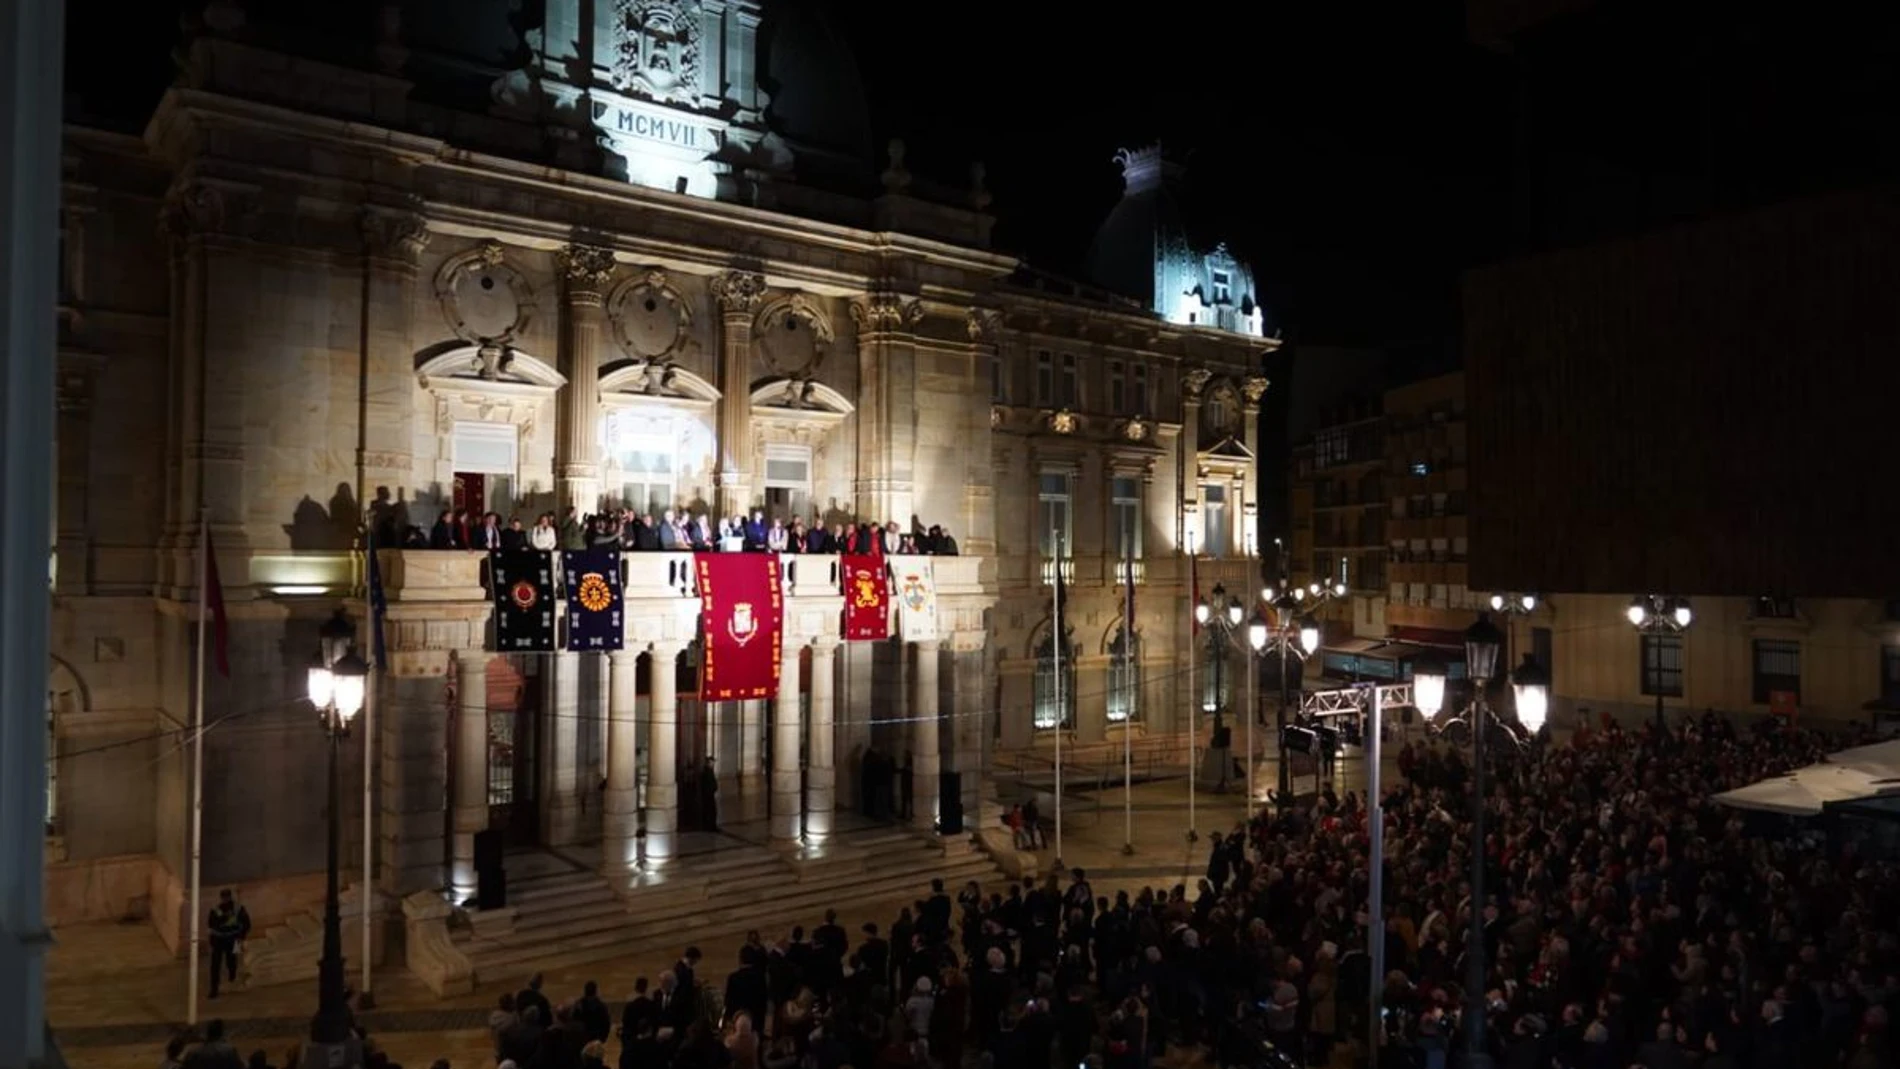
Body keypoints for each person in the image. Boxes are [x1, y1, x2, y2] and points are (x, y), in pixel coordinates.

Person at [206, 888, 250, 999]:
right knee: (218, 964)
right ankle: (216, 988)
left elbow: (246, 924)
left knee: (232, 961)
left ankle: (231, 979)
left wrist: (241, 937)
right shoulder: (235, 909)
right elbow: (211, 925)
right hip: (224, 940)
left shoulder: (234, 909)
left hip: (231, 939)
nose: (225, 899)